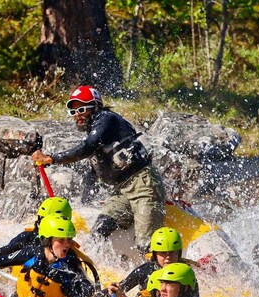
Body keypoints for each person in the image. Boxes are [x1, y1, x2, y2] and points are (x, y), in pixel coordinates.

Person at [30, 85, 166, 253]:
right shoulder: (98, 136)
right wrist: (85, 202)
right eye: (73, 112)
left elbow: (87, 147)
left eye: (82, 109)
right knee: (98, 231)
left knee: (146, 244)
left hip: (143, 185)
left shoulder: (107, 119)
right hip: (121, 191)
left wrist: (52, 158)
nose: (77, 115)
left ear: (95, 107)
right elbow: (93, 173)